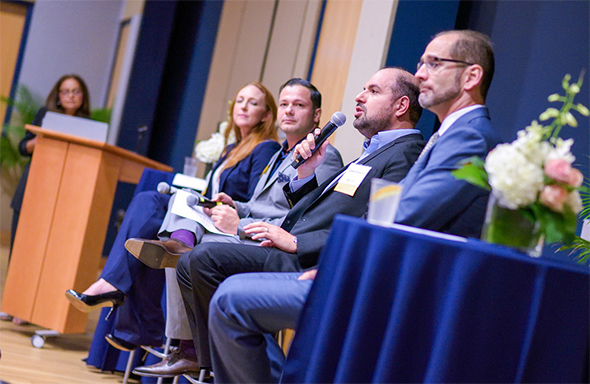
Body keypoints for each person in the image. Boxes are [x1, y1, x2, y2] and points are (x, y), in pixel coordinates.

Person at [208, 30, 502, 383]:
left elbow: (406, 217)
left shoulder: (468, 137)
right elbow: (390, 214)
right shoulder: (449, 135)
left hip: (393, 288)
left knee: (231, 299)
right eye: (422, 62)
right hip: (369, 271)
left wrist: (336, 264)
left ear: (471, 76)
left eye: (434, 63)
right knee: (228, 292)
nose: (421, 72)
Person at [152, 67, 425, 379]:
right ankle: (223, 365)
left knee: (203, 260)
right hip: (291, 245)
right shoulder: (375, 150)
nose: (359, 97)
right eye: (363, 89)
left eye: (373, 91)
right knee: (191, 262)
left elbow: (374, 225)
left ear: (401, 106)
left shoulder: (405, 153)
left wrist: (297, 242)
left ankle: (242, 369)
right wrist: (309, 172)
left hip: (310, 258)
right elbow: (326, 208)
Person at [124, 78, 343, 378]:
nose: (289, 111)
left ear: (316, 115)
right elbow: (261, 203)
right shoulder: (281, 154)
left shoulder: (324, 156)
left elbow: (301, 219)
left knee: (192, 258)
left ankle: (195, 350)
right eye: (285, 104)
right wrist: (235, 205)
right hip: (247, 228)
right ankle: (180, 248)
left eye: (299, 105)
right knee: (186, 203)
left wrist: (240, 224)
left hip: (265, 243)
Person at [65, 82, 281, 349]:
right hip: (205, 219)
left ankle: (126, 306)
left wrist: (224, 207)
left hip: (226, 227)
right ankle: (133, 317)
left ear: (267, 115)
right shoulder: (233, 147)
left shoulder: (265, 148)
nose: (244, 106)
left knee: (152, 211)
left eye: (253, 102)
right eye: (240, 100)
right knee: (148, 228)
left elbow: (254, 199)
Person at [2, 74, 91, 325]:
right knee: (21, 249)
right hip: (33, 187)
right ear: (58, 96)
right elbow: (22, 147)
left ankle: (33, 308)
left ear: (82, 96)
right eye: (65, 91)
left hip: (62, 197)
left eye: (76, 91)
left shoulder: (88, 125)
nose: (71, 96)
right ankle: (12, 304)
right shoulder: (45, 115)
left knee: (45, 253)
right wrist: (36, 142)